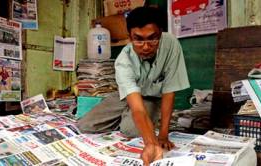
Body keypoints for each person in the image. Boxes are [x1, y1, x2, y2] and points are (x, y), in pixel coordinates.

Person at [77, 6, 189, 165]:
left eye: (152, 38)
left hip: (152, 98)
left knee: (131, 130)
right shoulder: (124, 60)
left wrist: (163, 135)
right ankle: (126, 115)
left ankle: (128, 120)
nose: (145, 46)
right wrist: (151, 142)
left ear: (161, 34)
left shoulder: (171, 45)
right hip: (127, 96)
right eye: (138, 39)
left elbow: (169, 92)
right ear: (129, 37)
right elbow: (137, 108)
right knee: (85, 125)